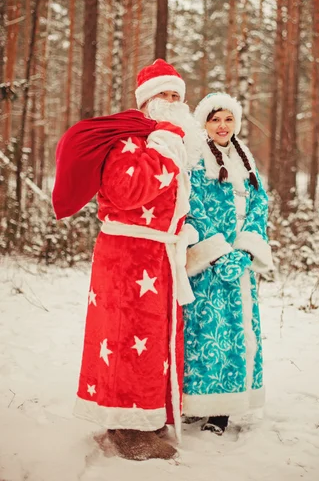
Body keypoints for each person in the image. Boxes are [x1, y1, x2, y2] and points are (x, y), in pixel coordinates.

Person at [52, 59, 201, 460]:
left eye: (177, 96)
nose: (171, 103)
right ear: (147, 101)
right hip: (129, 257)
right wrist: (166, 150)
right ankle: (126, 428)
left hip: (159, 256)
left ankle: (148, 417)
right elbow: (128, 190)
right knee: (125, 339)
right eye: (163, 96)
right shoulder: (133, 141)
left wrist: (184, 233)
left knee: (152, 342)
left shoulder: (165, 140)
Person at [182, 92, 273, 436]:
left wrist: (246, 249)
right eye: (215, 120)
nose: (222, 126)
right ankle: (198, 402)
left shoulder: (244, 158)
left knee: (239, 334)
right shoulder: (195, 159)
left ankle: (223, 410)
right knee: (206, 333)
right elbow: (193, 206)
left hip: (240, 263)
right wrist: (218, 252)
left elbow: (259, 204)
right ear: (205, 124)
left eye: (228, 120)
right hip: (209, 263)